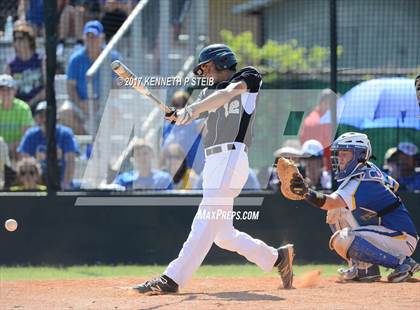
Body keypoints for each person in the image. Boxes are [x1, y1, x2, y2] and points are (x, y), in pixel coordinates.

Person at [133, 44, 294, 294]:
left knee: (205, 219)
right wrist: (179, 115)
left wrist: (192, 110)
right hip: (213, 163)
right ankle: (277, 258)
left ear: (222, 61)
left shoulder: (247, 77)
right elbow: (197, 111)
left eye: (207, 66)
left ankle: (172, 278)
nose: (204, 72)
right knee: (223, 235)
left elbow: (228, 93)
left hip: (231, 157)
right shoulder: (207, 92)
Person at [288, 132, 419, 283]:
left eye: (345, 153)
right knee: (337, 211)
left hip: (401, 238)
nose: (340, 158)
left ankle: (403, 263)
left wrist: (306, 192)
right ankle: (365, 267)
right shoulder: (368, 169)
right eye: (339, 154)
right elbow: (394, 185)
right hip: (394, 233)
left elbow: (330, 202)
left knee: (341, 238)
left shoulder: (361, 180)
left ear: (360, 155)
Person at [17, 101, 80, 190]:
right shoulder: (30, 135)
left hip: (61, 182)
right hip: (38, 185)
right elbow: (24, 162)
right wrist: (37, 160)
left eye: (48, 115)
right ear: (37, 118)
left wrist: (64, 184)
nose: (45, 119)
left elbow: (70, 162)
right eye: (41, 115)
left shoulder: (65, 134)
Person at [66, 20, 119, 120]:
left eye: (94, 37)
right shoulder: (75, 59)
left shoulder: (113, 57)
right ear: (84, 38)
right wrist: (81, 104)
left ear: (102, 38)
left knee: (114, 111)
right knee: (65, 113)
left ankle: (103, 135)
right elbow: (70, 88)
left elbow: (116, 87)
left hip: (105, 103)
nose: (91, 40)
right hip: (81, 104)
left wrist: (100, 103)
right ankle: (85, 134)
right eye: (88, 37)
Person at [161, 90, 205, 174]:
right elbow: (163, 153)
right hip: (175, 175)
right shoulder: (167, 126)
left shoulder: (197, 122)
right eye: (176, 105)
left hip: (195, 174)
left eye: (183, 104)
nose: (179, 108)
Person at [5, 22, 45, 110]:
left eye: (21, 38)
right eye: (15, 39)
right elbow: (6, 90)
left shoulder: (41, 60)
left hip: (38, 104)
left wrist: (31, 103)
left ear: (30, 40)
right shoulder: (10, 64)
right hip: (18, 108)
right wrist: (22, 106)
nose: (17, 42)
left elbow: (47, 88)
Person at [300, 89, 337, 169]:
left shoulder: (317, 117)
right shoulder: (317, 121)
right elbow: (319, 150)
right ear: (323, 103)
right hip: (319, 168)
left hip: (313, 165)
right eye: (331, 103)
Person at [0, 74, 33, 160]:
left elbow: (26, 137)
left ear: (14, 90)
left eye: (8, 89)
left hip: (17, 149)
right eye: (2, 90)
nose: (5, 92)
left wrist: (9, 147)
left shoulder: (23, 108)